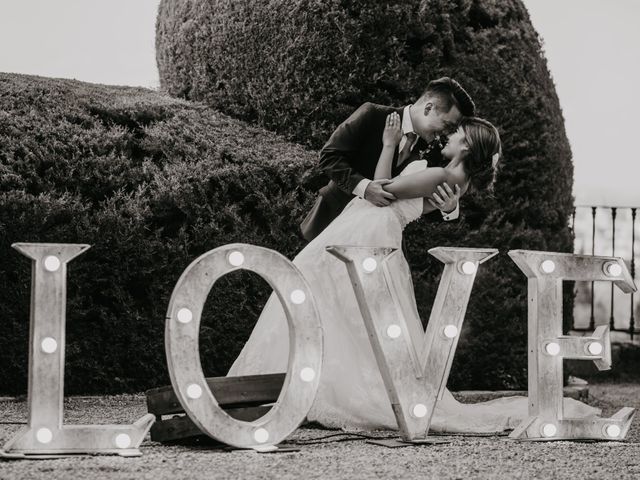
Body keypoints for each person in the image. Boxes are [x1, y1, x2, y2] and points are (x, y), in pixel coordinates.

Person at [228, 114, 600, 433]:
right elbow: (382, 191)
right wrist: (394, 154)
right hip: (368, 230)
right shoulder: (453, 180)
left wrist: (388, 147)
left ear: (467, 146)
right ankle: (300, 388)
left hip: (367, 231)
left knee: (316, 296)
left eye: (456, 134)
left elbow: (380, 190)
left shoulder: (439, 173)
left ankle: (290, 388)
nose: (449, 136)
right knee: (336, 309)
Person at [300, 77, 474, 242]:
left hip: (377, 238)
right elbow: (329, 156)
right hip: (331, 219)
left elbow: (419, 203)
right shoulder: (373, 115)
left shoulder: (436, 151)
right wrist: (364, 187)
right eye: (448, 125)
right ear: (428, 108)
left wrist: (449, 209)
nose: (447, 133)